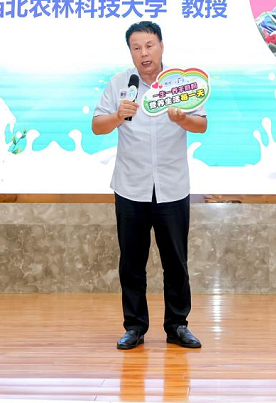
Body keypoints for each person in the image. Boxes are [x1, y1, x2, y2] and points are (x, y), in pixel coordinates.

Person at [92, 21, 207, 351]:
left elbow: (201, 125)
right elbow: (97, 126)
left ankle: (177, 325)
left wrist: (182, 119)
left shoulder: (181, 84)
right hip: (131, 186)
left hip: (172, 186)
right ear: (130, 52)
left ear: (161, 46)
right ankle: (134, 327)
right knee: (131, 264)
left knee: (176, 263)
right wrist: (118, 115)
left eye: (149, 45)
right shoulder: (119, 84)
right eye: (136, 47)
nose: (144, 53)